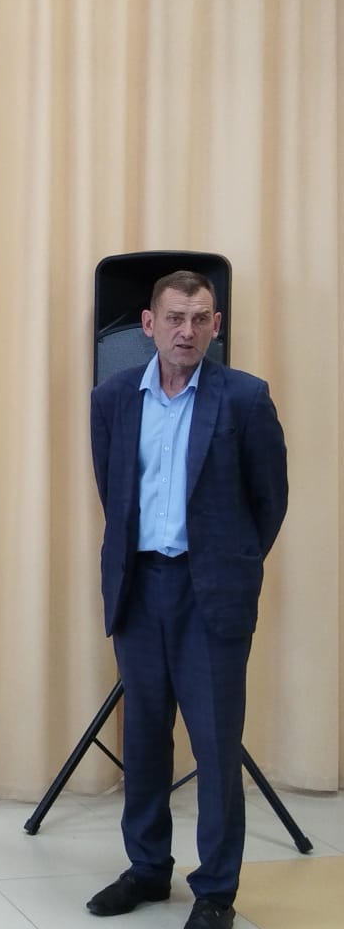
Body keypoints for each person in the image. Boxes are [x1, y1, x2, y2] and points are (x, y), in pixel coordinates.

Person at [88, 270, 288, 929]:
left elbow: (269, 501)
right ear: (149, 324)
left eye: (200, 319)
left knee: (214, 746)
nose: (186, 331)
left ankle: (215, 891)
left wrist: (228, 564)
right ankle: (148, 869)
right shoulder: (113, 399)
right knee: (145, 740)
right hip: (139, 590)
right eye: (174, 318)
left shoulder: (245, 399)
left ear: (215, 325)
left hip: (212, 595)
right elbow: (114, 491)